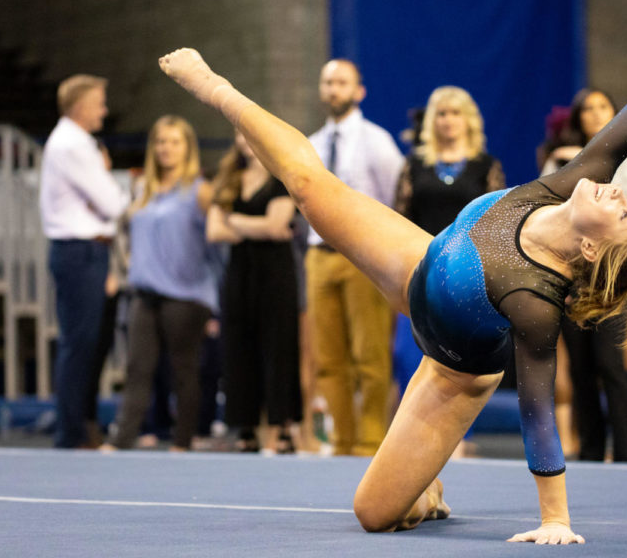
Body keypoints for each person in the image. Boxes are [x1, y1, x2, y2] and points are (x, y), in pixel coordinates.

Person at [158, 0, 627, 542]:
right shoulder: (574, 178)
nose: (617, 192)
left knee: (374, 515)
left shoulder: (534, 304)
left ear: (591, 247)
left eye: (621, 212)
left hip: (451, 368)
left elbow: (537, 410)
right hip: (423, 267)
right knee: (313, 189)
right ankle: (218, 88)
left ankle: (426, 486)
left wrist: (555, 519)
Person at [392, 87, 505, 448]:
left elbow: (495, 220)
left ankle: (454, 435)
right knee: (406, 352)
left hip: (464, 272)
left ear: (468, 120)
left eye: (455, 113)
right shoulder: (413, 165)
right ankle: (411, 435)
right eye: (441, 113)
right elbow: (399, 217)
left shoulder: (485, 166)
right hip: (418, 264)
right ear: (432, 121)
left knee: (457, 354)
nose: (448, 120)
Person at [304, 59, 405, 456]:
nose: (333, 89)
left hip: (362, 258)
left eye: (341, 82)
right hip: (318, 256)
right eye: (328, 82)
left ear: (358, 91)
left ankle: (370, 442)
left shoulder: (376, 141)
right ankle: (343, 442)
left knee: (370, 356)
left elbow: (397, 198)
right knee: (329, 360)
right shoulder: (312, 143)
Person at [104, 115, 218, 452]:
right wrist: (124, 268)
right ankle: (123, 440)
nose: (166, 148)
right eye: (161, 141)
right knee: (138, 368)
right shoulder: (141, 189)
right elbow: (125, 235)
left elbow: (219, 242)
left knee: (183, 371)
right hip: (145, 293)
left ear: (188, 149)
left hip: (186, 296)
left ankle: (182, 443)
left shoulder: (201, 191)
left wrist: (216, 302)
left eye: (174, 142)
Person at [39, 74, 128, 448]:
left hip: (87, 251)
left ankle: (80, 427)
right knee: (79, 342)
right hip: (79, 252)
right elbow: (114, 203)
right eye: (99, 103)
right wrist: (107, 180)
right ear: (79, 106)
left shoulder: (74, 142)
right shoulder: (73, 145)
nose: (104, 111)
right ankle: (72, 432)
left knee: (88, 343)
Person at [207, 130, 302, 453]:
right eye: (240, 134)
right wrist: (254, 225)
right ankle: (245, 427)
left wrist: (233, 220)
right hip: (239, 275)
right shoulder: (229, 177)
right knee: (238, 349)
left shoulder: (281, 178)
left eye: (252, 133)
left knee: (278, 350)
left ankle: (280, 427)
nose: (246, 140)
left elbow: (278, 227)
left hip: (276, 276)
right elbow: (214, 230)